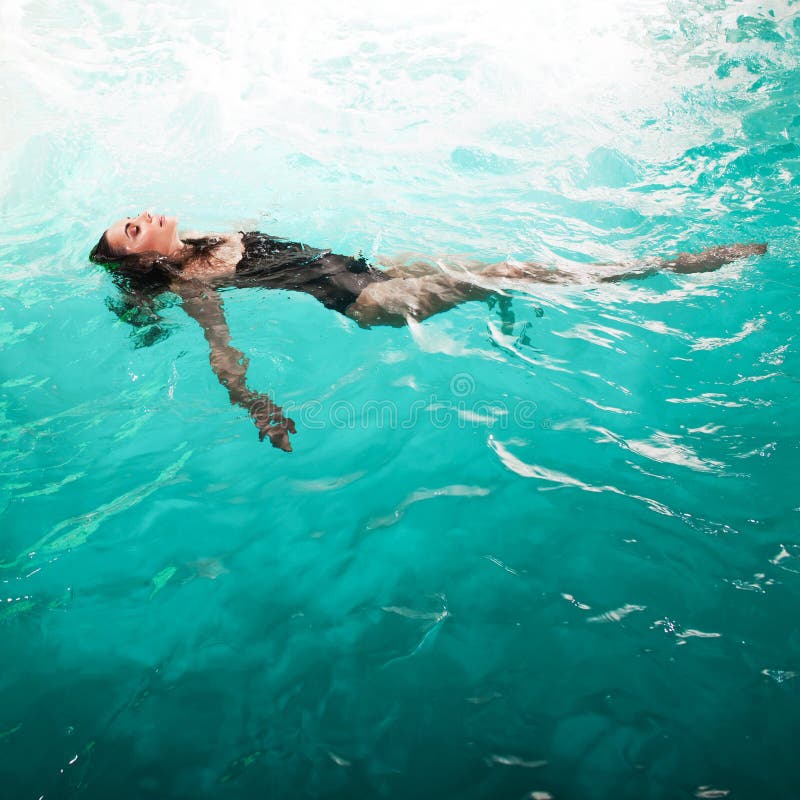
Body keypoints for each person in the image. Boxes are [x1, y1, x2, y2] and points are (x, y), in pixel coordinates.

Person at [90, 210, 767, 451]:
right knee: (518, 271)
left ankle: (631, 272)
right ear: (147, 258)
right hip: (367, 296)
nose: (144, 214)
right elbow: (221, 352)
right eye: (132, 229)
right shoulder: (193, 284)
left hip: (368, 266)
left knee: (500, 269)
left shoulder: (207, 233)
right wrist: (256, 404)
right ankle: (668, 268)